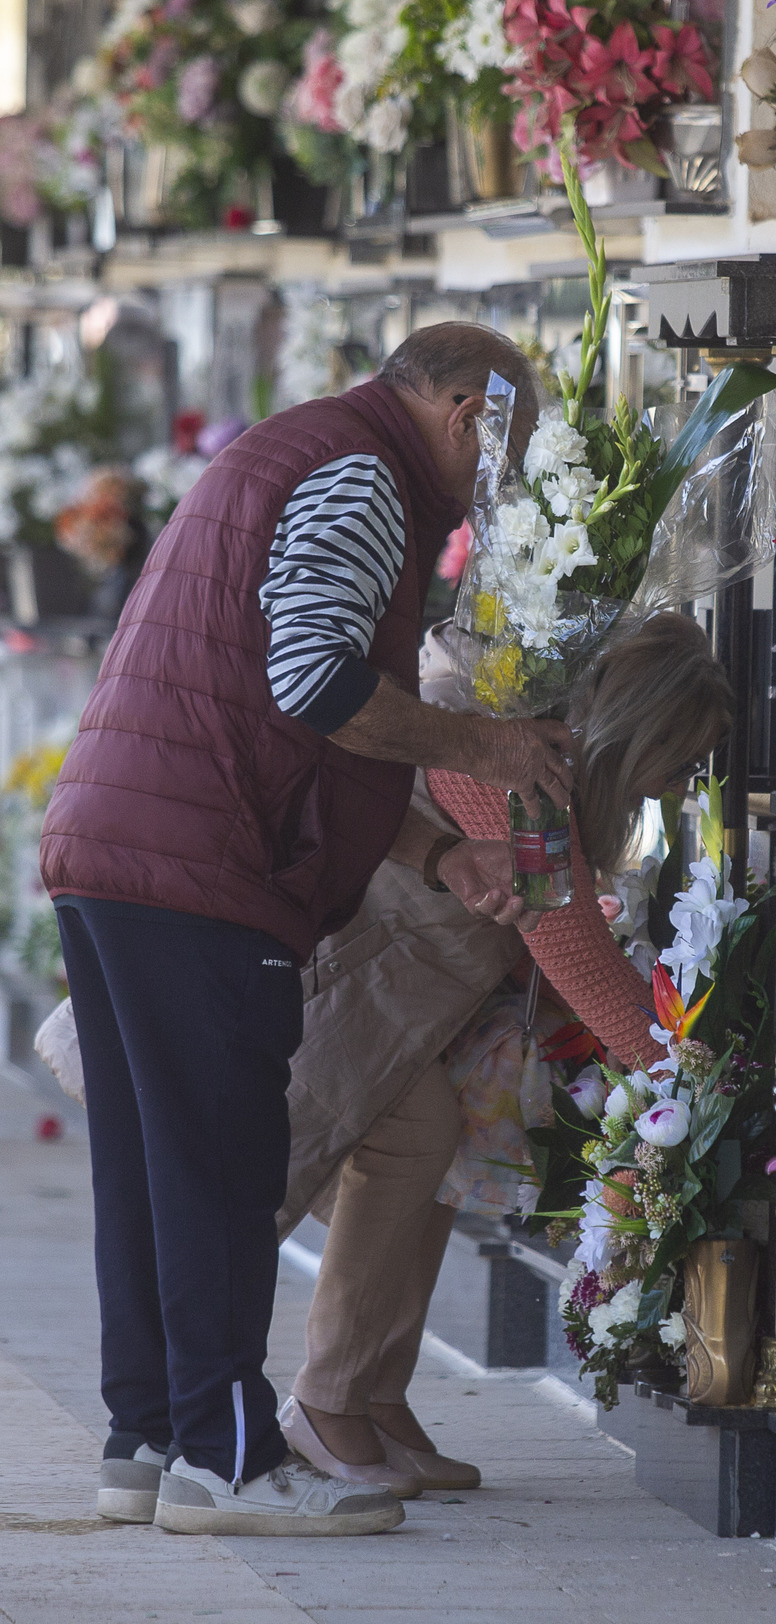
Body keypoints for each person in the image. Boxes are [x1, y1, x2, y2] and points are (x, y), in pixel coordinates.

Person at [39, 323, 574, 1538]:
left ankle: (152, 1443)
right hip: (200, 865)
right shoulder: (365, 472)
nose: (499, 478)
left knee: (157, 1166)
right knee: (225, 1169)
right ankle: (230, 1462)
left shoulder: (293, 450)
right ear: (463, 411)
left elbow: (276, 705)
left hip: (121, 840)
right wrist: (488, 746)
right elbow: (316, 682)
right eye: (509, 443)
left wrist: (438, 850)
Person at [273, 613, 734, 1486]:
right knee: (411, 1142)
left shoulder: (541, 762)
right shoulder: (516, 766)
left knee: (426, 1148)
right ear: (640, 732)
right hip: (342, 982)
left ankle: (371, 1394)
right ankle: (328, 1399)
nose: (678, 788)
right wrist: (680, 1078)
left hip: (385, 998)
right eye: (677, 763)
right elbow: (569, 947)